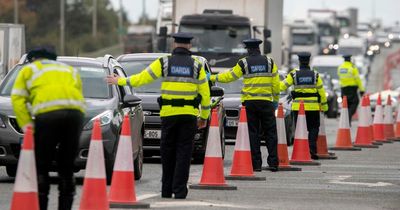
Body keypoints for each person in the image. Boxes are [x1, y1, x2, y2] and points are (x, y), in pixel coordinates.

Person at [106, 32, 210, 199]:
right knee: (184, 154)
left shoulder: (164, 62)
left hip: (169, 115)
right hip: (189, 117)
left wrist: (120, 81)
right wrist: (204, 117)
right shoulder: (197, 66)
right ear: (189, 45)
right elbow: (205, 94)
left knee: (167, 153)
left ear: (174, 44)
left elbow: (142, 79)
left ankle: (166, 190)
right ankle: (180, 190)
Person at [11, 46, 85, 210]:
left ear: (33, 58)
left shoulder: (30, 69)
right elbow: (79, 93)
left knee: (41, 165)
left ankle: (42, 205)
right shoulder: (68, 69)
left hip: (48, 116)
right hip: (75, 116)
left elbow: (17, 98)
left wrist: (27, 126)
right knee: (66, 167)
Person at [209, 38, 279, 172]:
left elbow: (229, 77)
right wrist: (275, 100)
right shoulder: (270, 62)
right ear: (259, 48)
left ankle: (256, 164)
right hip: (266, 102)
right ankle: (273, 163)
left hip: (250, 103)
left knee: (253, 133)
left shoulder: (244, 63)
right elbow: (275, 85)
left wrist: (212, 77)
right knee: (271, 133)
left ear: (248, 49)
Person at [280, 52, 328, 160]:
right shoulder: (315, 75)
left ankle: (301, 151)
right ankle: (312, 149)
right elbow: (321, 91)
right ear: (309, 61)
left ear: (299, 61)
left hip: (299, 108)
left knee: (300, 129)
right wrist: (324, 106)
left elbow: (282, 86)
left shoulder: (294, 74)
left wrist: (271, 88)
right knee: (314, 128)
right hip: (313, 107)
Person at [337, 54, 365, 124]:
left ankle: (346, 120)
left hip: (343, 89)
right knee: (355, 103)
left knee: (346, 105)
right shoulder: (352, 67)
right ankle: (348, 117)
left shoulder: (340, 67)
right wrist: (362, 90)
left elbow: (339, 77)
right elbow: (358, 79)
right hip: (352, 89)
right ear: (350, 59)